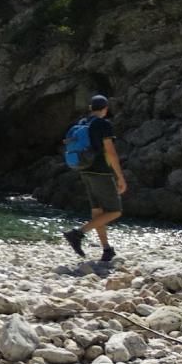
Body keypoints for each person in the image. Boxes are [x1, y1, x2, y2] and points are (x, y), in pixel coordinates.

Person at [63, 94, 127, 261]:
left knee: (97, 211)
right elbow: (111, 152)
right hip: (101, 172)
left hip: (85, 170)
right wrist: (120, 177)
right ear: (105, 108)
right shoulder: (103, 124)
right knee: (114, 211)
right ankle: (77, 233)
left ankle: (106, 249)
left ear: (91, 108)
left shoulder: (84, 123)